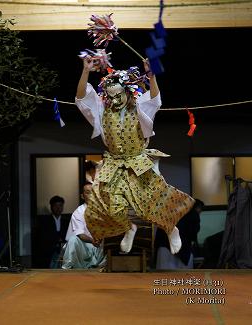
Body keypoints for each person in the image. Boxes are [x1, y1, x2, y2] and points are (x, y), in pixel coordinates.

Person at [75, 56, 195, 255]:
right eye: (110, 95)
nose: (114, 99)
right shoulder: (102, 110)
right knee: (105, 203)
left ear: (128, 92)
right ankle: (129, 228)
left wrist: (151, 75)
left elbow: (155, 99)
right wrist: (86, 71)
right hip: (114, 163)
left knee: (149, 204)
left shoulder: (139, 108)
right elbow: (81, 98)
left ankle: (171, 228)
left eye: (118, 95)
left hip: (138, 162)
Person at [62, 182, 106, 269]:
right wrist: (92, 240)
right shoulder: (78, 212)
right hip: (85, 245)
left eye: (93, 192)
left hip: (101, 245)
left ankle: (104, 267)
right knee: (73, 239)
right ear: (82, 196)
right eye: (88, 192)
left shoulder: (103, 210)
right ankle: (67, 268)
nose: (91, 195)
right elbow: (80, 234)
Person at [155, 199, 203, 269]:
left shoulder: (169, 212)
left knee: (164, 276)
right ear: (197, 207)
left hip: (164, 247)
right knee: (183, 277)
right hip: (182, 248)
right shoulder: (193, 214)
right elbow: (192, 233)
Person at [35, 195, 70, 268]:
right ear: (51, 207)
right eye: (55, 206)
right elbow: (42, 237)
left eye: (60, 205)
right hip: (48, 251)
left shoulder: (67, 221)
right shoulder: (44, 221)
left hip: (63, 249)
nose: (58, 208)